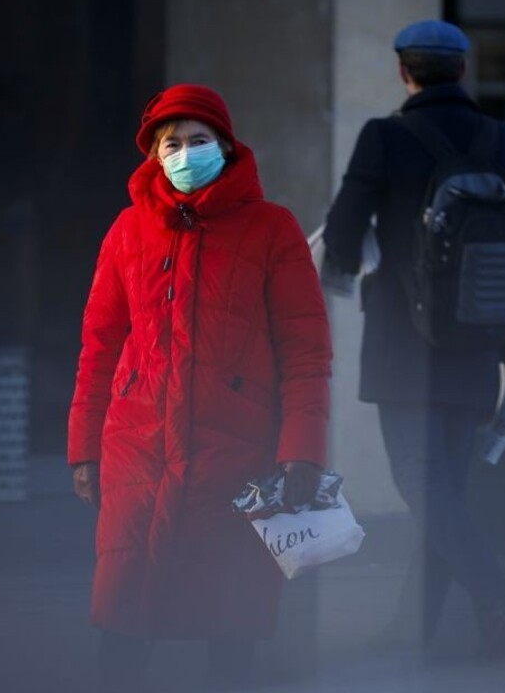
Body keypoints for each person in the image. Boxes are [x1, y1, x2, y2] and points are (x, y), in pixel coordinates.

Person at [67, 83, 333, 690]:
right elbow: (100, 346)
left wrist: (302, 449)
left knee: (230, 621)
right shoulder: (128, 231)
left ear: (226, 146)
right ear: (154, 155)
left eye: (198, 141)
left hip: (238, 454)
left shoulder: (272, 228)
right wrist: (83, 448)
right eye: (171, 144)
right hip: (138, 450)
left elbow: (306, 350)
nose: (185, 154)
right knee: (124, 617)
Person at [321, 19, 505, 660]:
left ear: (404, 72)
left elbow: (343, 233)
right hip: (481, 340)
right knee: (445, 493)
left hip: (404, 344)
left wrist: (342, 262)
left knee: (421, 485)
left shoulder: (385, 137)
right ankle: (414, 628)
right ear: (462, 72)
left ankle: (497, 601)